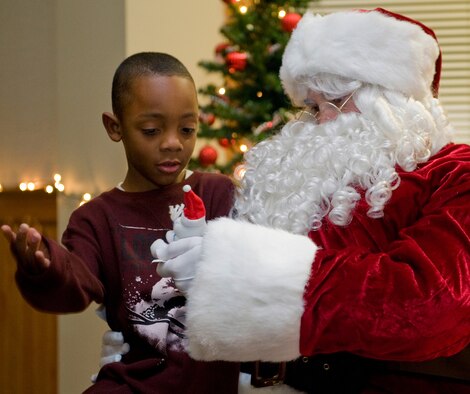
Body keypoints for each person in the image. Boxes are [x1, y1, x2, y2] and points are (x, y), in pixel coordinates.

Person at [150, 8, 470, 393]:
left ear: (390, 101)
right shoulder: (313, 180)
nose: (318, 122)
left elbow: (430, 303)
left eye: (333, 100)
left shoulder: (455, 173)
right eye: (312, 107)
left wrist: (245, 271)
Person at [1, 52, 239, 393]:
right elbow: (73, 287)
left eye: (187, 129)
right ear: (116, 127)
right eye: (152, 130)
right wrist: (43, 270)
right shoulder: (96, 219)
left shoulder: (217, 194)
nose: (173, 143)